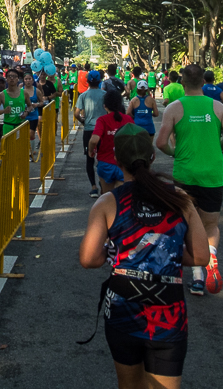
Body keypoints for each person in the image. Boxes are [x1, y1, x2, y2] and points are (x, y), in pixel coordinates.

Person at [79, 124, 208, 389]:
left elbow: (89, 258)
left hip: (123, 306)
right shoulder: (179, 198)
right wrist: (166, 253)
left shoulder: (107, 202)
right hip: (168, 311)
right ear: (152, 157)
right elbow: (201, 256)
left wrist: (113, 253)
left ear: (116, 159)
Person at [155, 64, 223, 297]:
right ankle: (210, 255)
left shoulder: (174, 108)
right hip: (212, 175)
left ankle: (197, 279)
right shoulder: (217, 106)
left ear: (182, 83)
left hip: (184, 174)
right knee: (210, 225)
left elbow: (161, 143)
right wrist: (219, 148)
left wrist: (176, 153)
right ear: (203, 82)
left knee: (186, 226)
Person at [88, 90, 132, 195]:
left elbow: (94, 140)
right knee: (123, 198)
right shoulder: (128, 119)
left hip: (106, 163)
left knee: (107, 197)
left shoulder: (102, 120)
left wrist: (91, 151)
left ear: (105, 106)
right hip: (124, 164)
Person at [75, 70, 107, 198]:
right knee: (103, 158)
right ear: (100, 81)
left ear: (87, 81)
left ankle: (93, 187)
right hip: (103, 130)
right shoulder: (105, 94)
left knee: (89, 158)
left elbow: (77, 114)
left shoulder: (83, 95)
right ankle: (103, 183)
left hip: (89, 130)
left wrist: (83, 121)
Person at [0, 69, 32, 136]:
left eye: (14, 76)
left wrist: (26, 113)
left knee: (21, 146)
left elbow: (30, 106)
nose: (12, 78)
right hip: (8, 126)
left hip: (20, 125)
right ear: (6, 79)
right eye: (9, 76)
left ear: (18, 79)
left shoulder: (24, 92)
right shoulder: (2, 94)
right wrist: (4, 111)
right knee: (9, 146)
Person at [23, 72, 45, 155]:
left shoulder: (37, 90)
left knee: (31, 134)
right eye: (26, 79)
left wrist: (37, 105)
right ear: (24, 80)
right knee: (24, 135)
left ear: (32, 80)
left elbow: (42, 102)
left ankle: (31, 152)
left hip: (33, 116)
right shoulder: (21, 90)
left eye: (29, 79)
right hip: (23, 115)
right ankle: (25, 149)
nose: (28, 81)